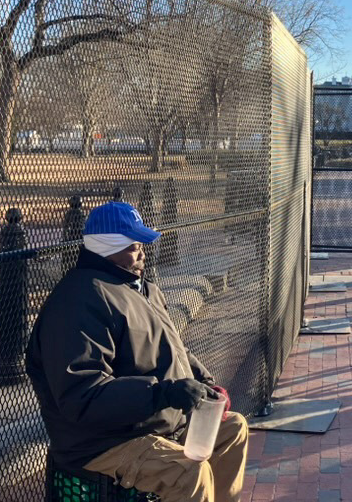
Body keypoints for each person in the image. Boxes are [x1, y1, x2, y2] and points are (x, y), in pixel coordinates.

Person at [26, 201, 249, 502]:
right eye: (133, 246)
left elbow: (172, 349)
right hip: (104, 442)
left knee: (233, 429)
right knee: (188, 473)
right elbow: (82, 396)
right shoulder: (79, 301)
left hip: (154, 423)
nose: (143, 252)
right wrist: (163, 394)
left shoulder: (141, 289)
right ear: (106, 249)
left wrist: (203, 384)